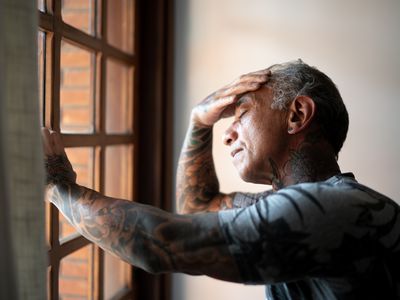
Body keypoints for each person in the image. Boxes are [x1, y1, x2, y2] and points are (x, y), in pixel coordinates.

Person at [43, 60, 400, 299]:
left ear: (297, 115)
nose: (227, 134)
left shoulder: (335, 210)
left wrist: (58, 187)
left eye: (241, 113)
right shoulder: (310, 204)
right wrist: (200, 121)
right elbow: (197, 208)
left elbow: (160, 243)